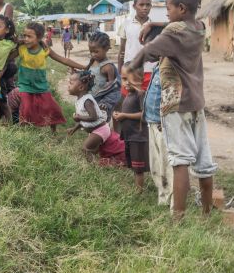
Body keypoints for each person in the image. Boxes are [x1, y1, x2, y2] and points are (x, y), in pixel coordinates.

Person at [130, 0, 217, 219]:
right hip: (196, 103)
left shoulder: (175, 32)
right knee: (203, 162)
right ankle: (207, 214)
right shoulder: (198, 28)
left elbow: (149, 50)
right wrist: (155, 25)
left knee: (180, 162)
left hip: (176, 105)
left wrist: (130, 66)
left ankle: (177, 219)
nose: (165, 13)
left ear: (181, 8)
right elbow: (173, 27)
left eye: (168, 8)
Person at [16, 22, 86, 133]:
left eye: (29, 36)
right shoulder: (22, 48)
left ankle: (53, 132)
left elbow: (63, 60)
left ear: (39, 38)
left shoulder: (45, 50)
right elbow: (7, 56)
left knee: (51, 107)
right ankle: (22, 133)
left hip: (41, 85)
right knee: (27, 108)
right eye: (24, 36)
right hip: (25, 85)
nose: (26, 39)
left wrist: (84, 67)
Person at [66, 71, 126, 166]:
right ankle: (103, 162)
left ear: (81, 87)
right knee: (94, 150)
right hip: (96, 130)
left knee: (85, 148)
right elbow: (83, 119)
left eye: (71, 83)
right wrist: (74, 128)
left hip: (100, 130)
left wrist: (78, 117)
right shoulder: (80, 100)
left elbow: (94, 117)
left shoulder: (87, 101)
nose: (68, 85)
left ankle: (93, 166)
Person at [143, 53, 174, 207]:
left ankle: (171, 200)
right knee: (155, 164)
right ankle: (162, 198)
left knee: (166, 165)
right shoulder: (156, 67)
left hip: (162, 125)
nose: (148, 50)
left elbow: (172, 96)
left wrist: (166, 118)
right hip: (152, 122)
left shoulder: (169, 68)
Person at [113, 64, 149, 192]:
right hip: (130, 136)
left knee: (138, 168)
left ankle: (139, 191)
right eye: (123, 79)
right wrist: (119, 115)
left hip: (138, 137)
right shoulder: (129, 94)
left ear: (140, 79)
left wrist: (124, 115)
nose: (126, 83)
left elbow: (144, 115)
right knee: (134, 165)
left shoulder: (141, 94)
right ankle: (137, 188)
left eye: (130, 79)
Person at [118, 0, 154, 93]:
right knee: (128, 103)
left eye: (148, 5)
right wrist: (119, 73)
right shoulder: (126, 24)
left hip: (149, 71)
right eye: (141, 5)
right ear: (134, 6)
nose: (145, 7)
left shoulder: (154, 26)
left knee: (146, 103)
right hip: (130, 71)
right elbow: (122, 50)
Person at [86, 31, 121, 116]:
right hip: (91, 97)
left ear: (106, 49)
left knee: (101, 121)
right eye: (91, 52)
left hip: (101, 101)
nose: (93, 54)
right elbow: (87, 71)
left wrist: (105, 102)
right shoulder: (93, 61)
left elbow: (112, 88)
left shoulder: (108, 67)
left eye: (96, 52)